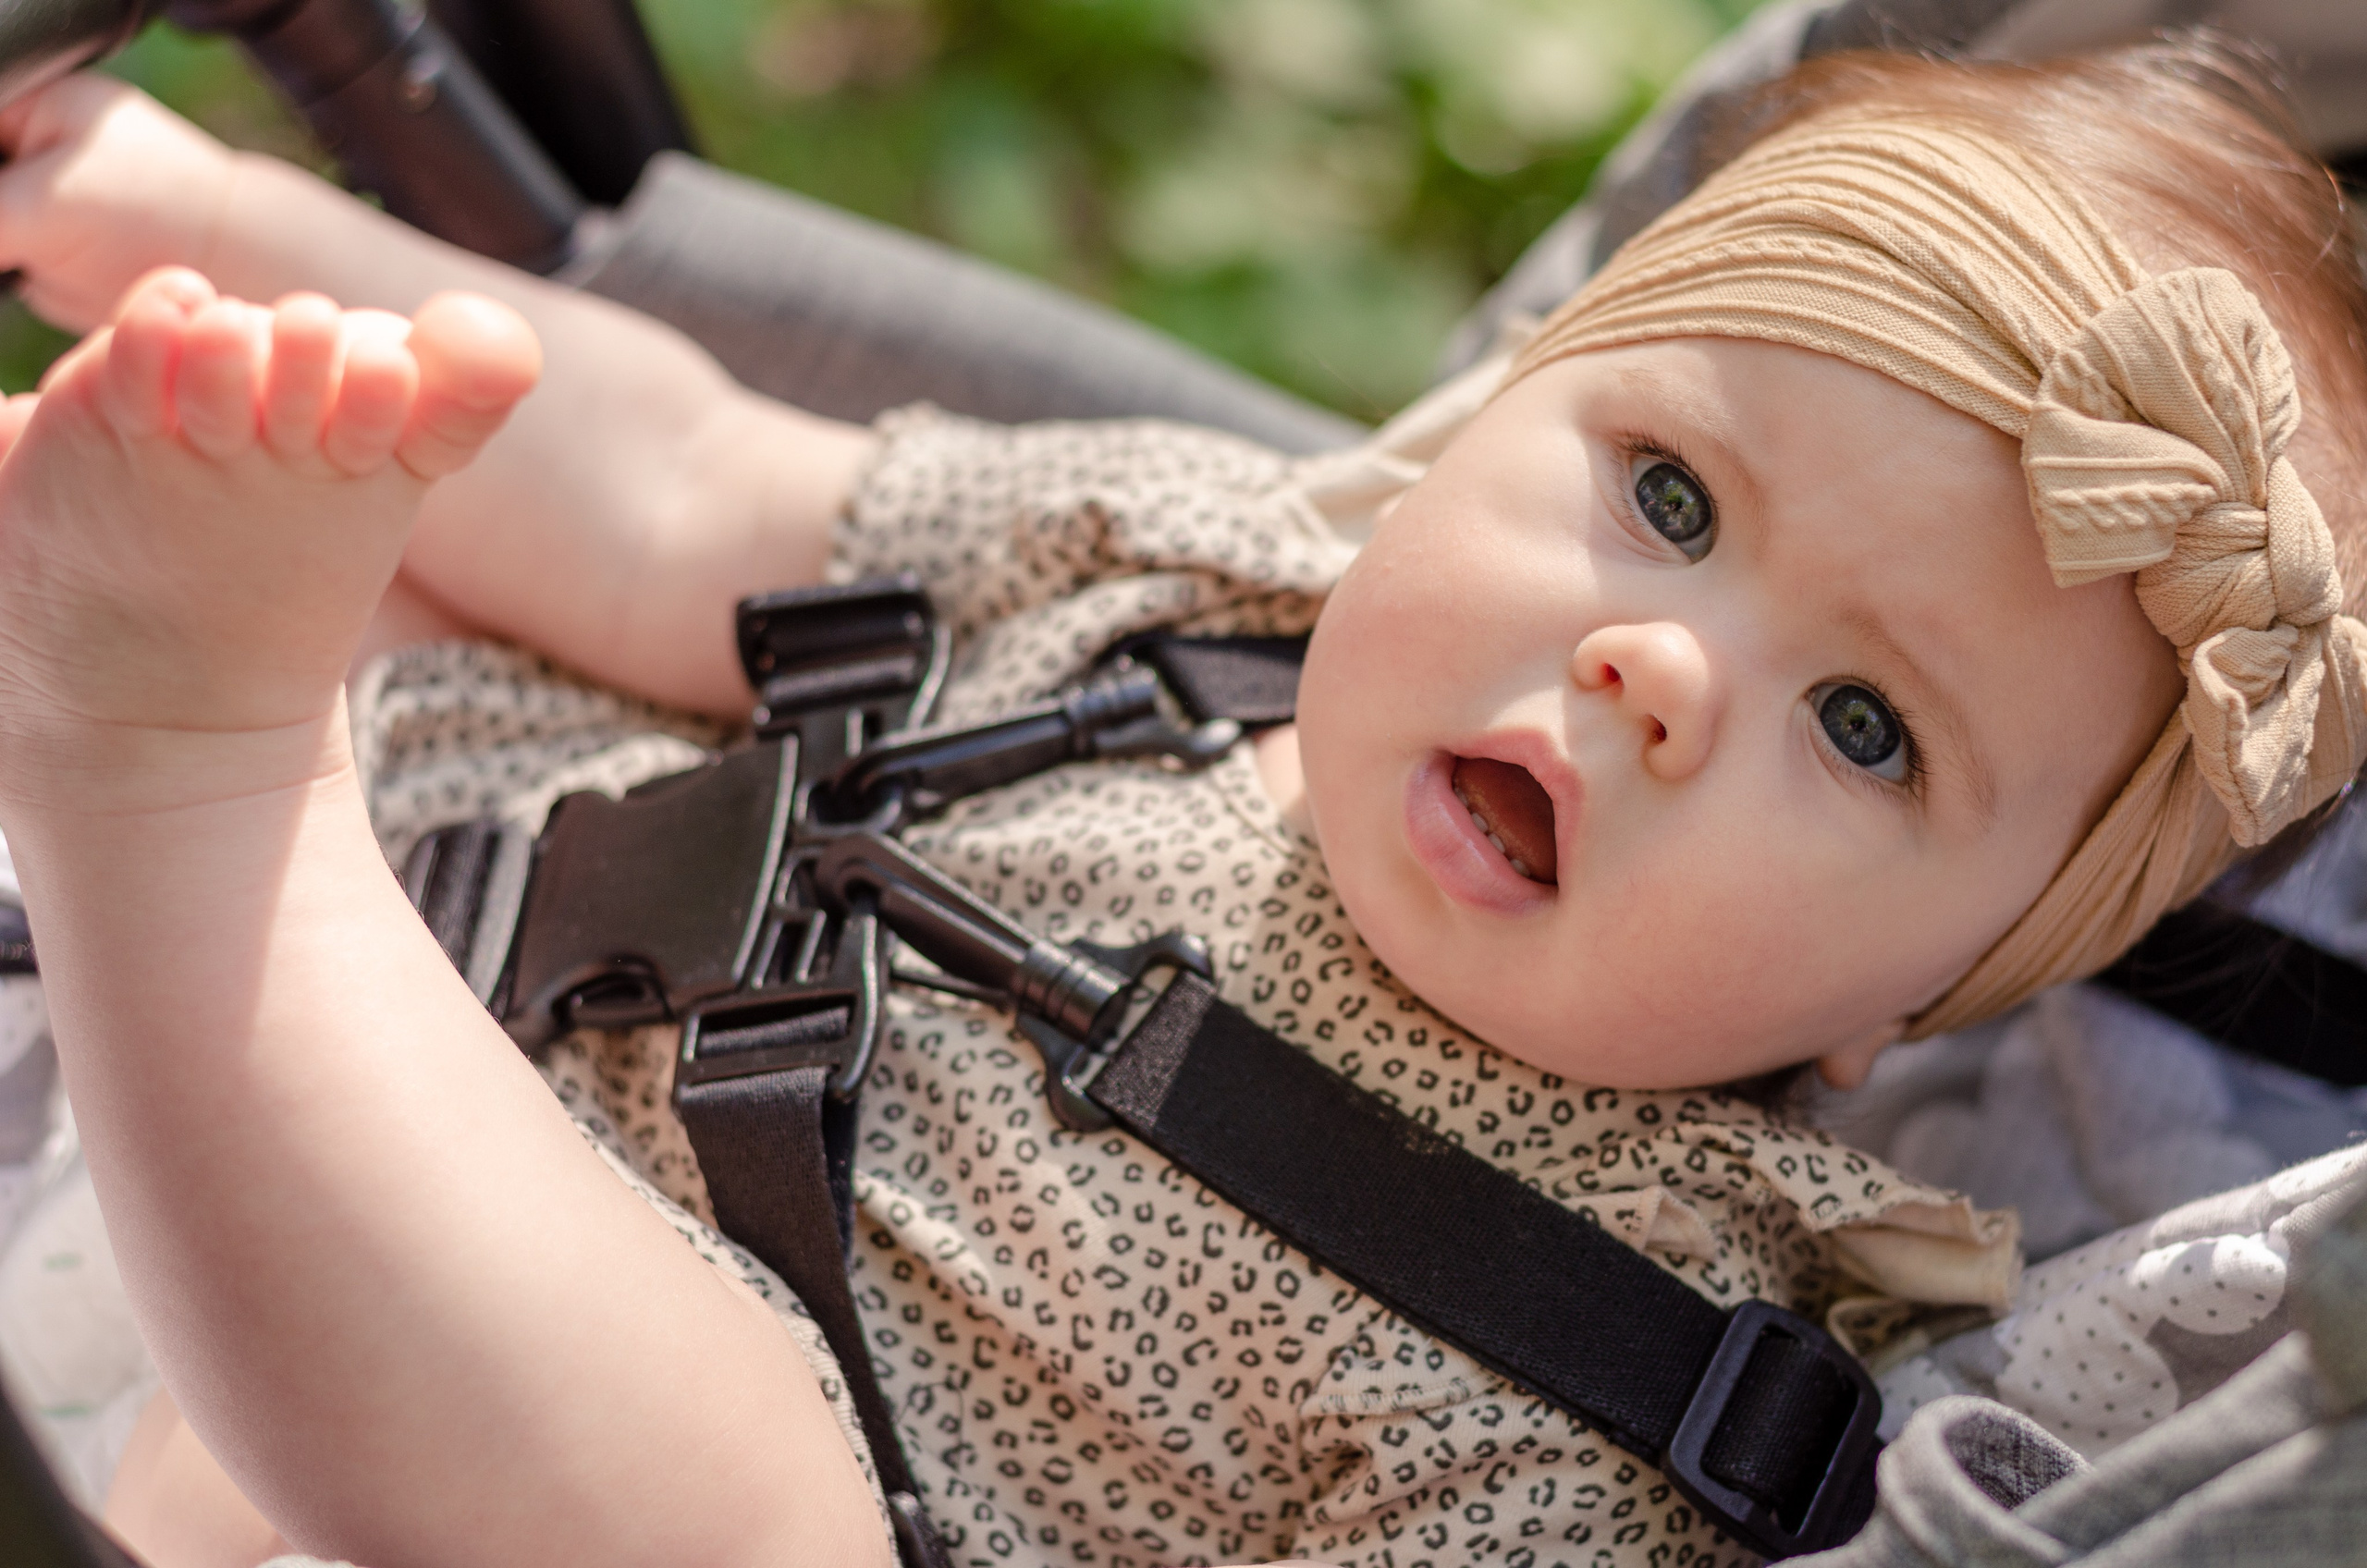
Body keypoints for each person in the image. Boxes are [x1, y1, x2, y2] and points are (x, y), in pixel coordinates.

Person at [0, 31, 2361, 1568]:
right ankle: (169, 701)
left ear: (1926, 991)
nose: (1660, 671)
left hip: (448, 1434)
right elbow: (680, 489)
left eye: (1863, 727)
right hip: (283, 1006)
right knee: (456, 517)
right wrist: (188, 230)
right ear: (1495, 414)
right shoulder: (1198, 567)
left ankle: (179, 762)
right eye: (1662, 492)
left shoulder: (1616, 1400)